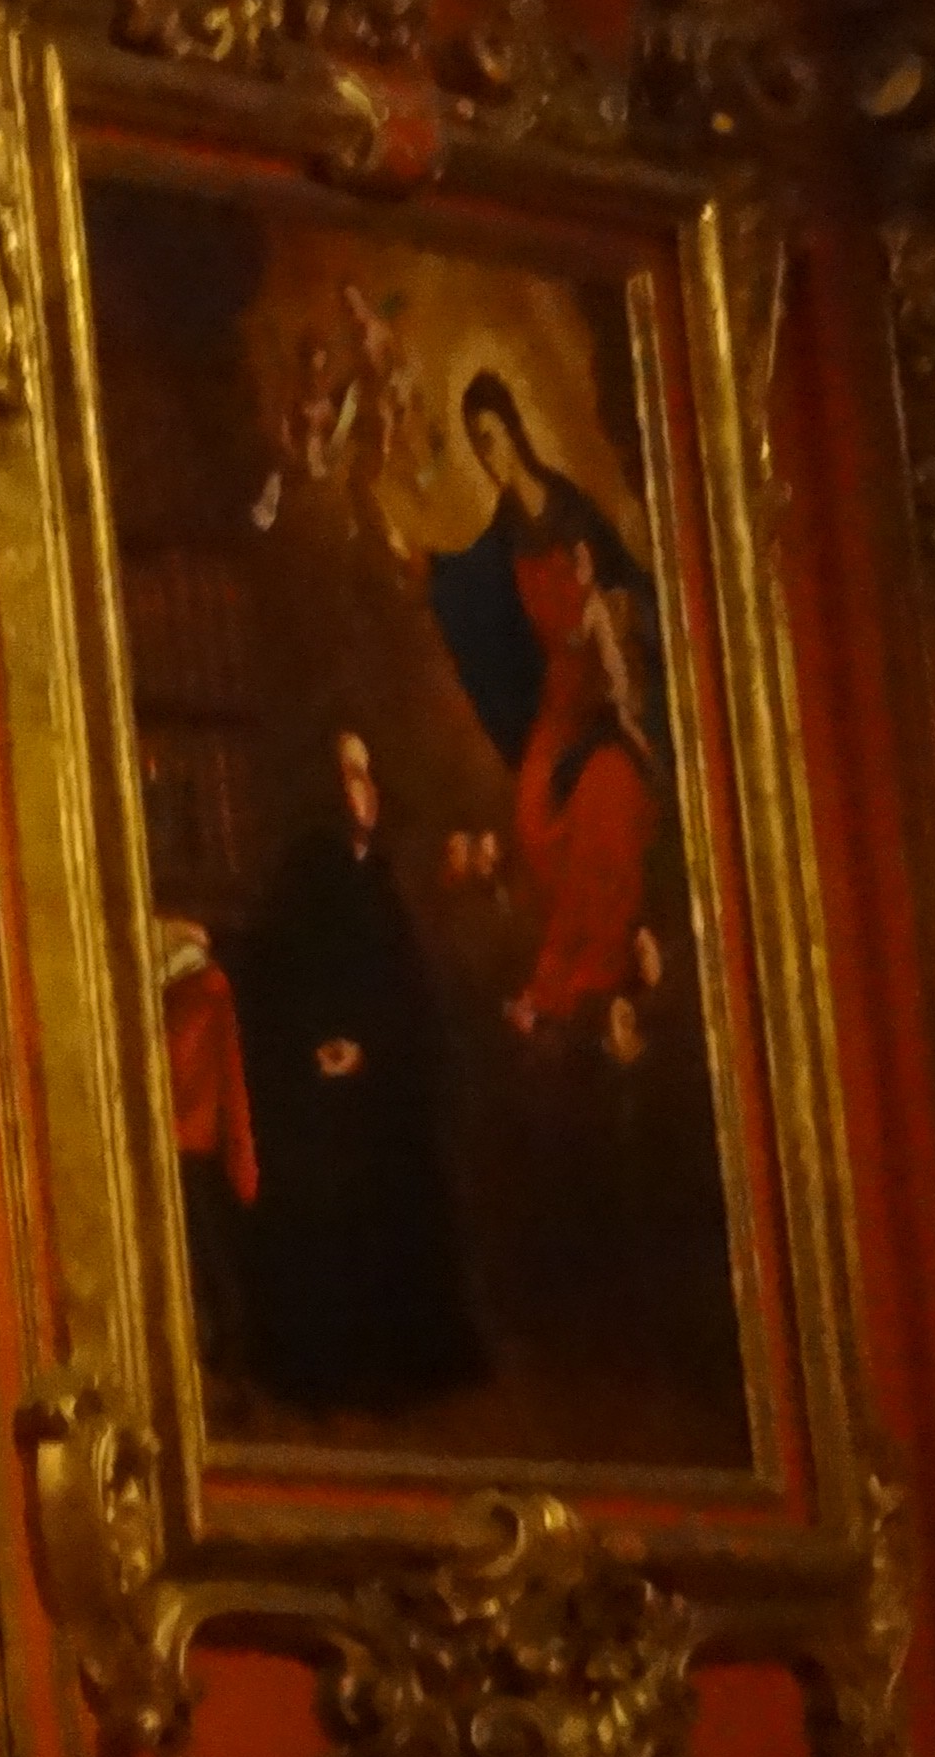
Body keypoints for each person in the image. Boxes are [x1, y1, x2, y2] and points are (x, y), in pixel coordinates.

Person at [220, 730, 488, 1418]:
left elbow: (403, 990)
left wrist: (369, 1047)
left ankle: (403, 1361)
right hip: (314, 1085)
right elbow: (280, 972)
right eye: (347, 775)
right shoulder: (307, 874)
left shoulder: (381, 876)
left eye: (366, 775)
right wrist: (322, 1044)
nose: (360, 791)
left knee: (405, 1167)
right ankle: (329, 1368)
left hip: (376, 1075)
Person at [423, 373, 667, 1037]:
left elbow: (630, 589)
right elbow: (474, 591)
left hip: (602, 688)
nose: (487, 455)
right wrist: (428, 569)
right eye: (476, 444)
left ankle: (589, 973)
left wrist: (616, 631)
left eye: (491, 437)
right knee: (533, 820)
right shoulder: (504, 534)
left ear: (513, 430)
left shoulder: (569, 509)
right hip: (559, 701)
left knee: (606, 795)